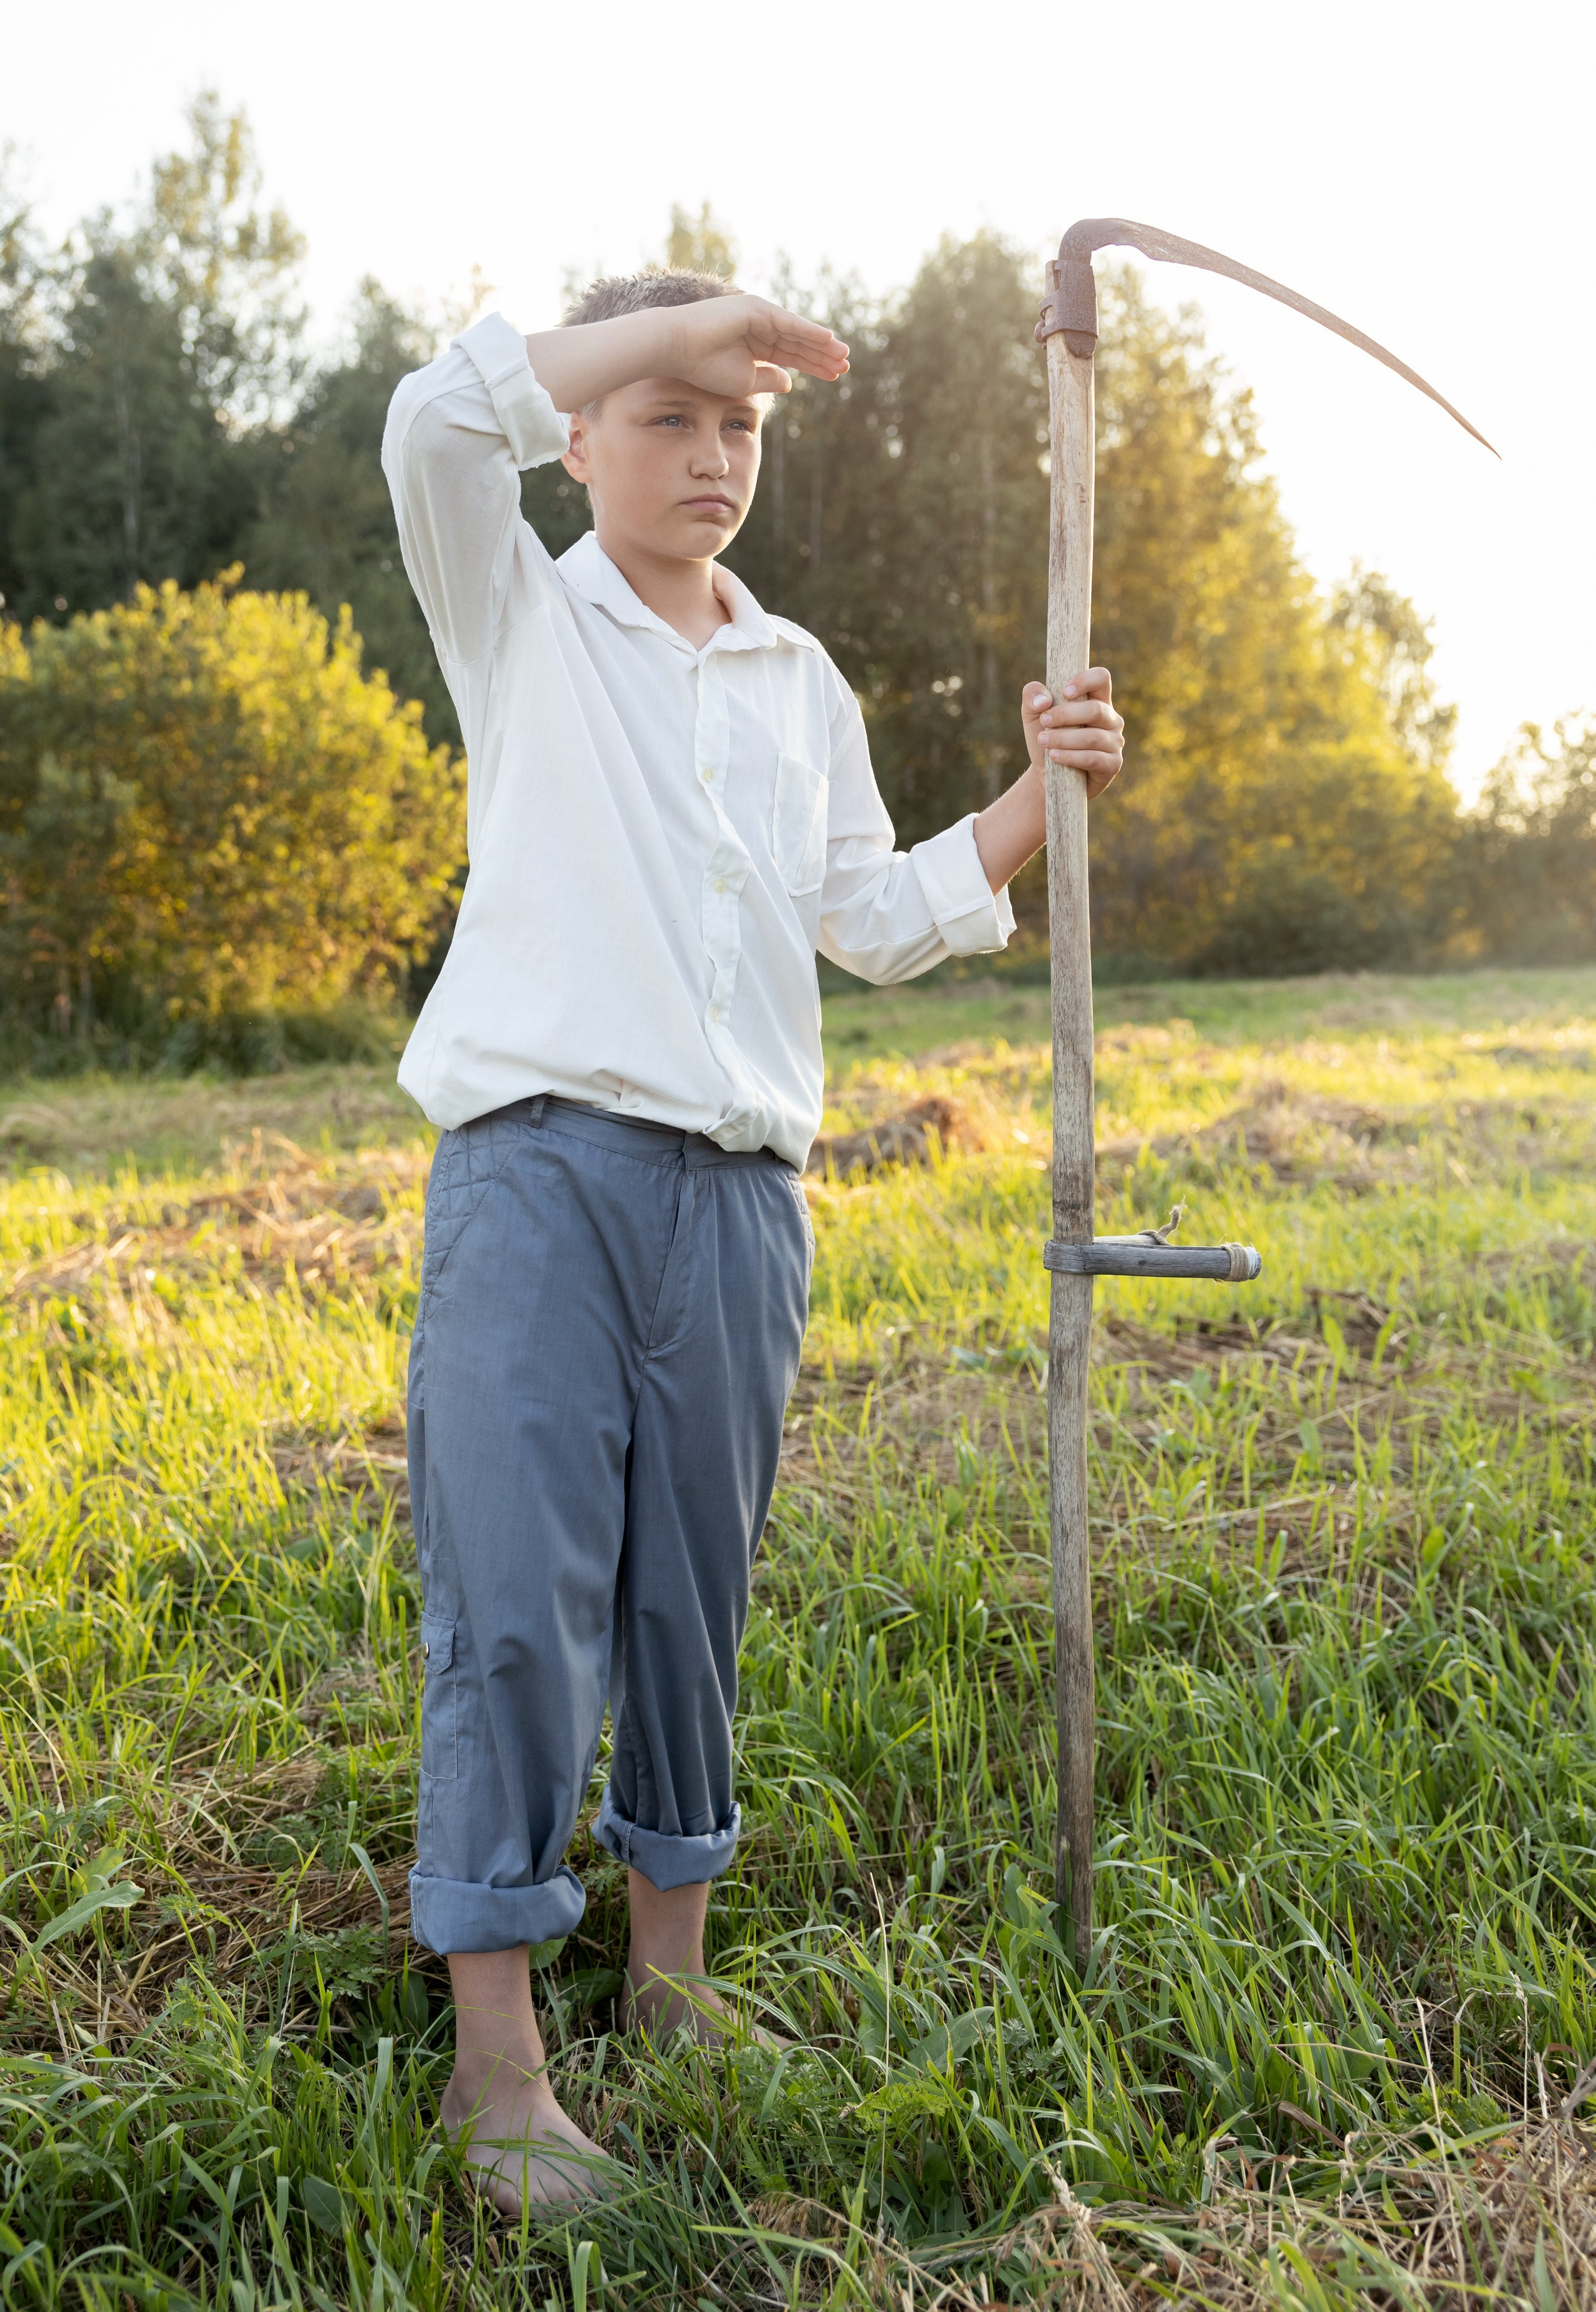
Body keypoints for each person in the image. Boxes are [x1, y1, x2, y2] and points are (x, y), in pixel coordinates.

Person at [383, 270, 1123, 2210]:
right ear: (585, 433)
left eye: (740, 428)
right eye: (668, 414)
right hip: (541, 1177)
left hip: (742, 1204)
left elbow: (868, 915)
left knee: (688, 1606)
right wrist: (697, 309)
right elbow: (421, 423)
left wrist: (1040, 795)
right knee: (517, 1607)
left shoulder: (800, 678)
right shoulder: (522, 613)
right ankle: (495, 2073)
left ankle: (672, 1987)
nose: (710, 455)